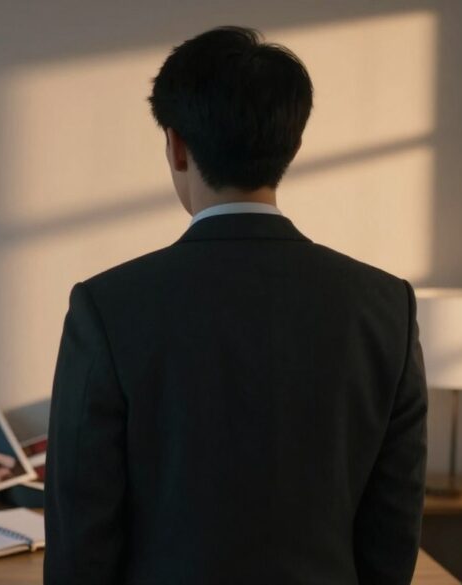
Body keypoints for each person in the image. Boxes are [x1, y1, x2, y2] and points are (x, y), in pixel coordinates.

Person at [45, 27, 427, 585]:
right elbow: (393, 532)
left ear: (176, 144)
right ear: (293, 144)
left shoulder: (106, 307)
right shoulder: (387, 306)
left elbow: (80, 537)